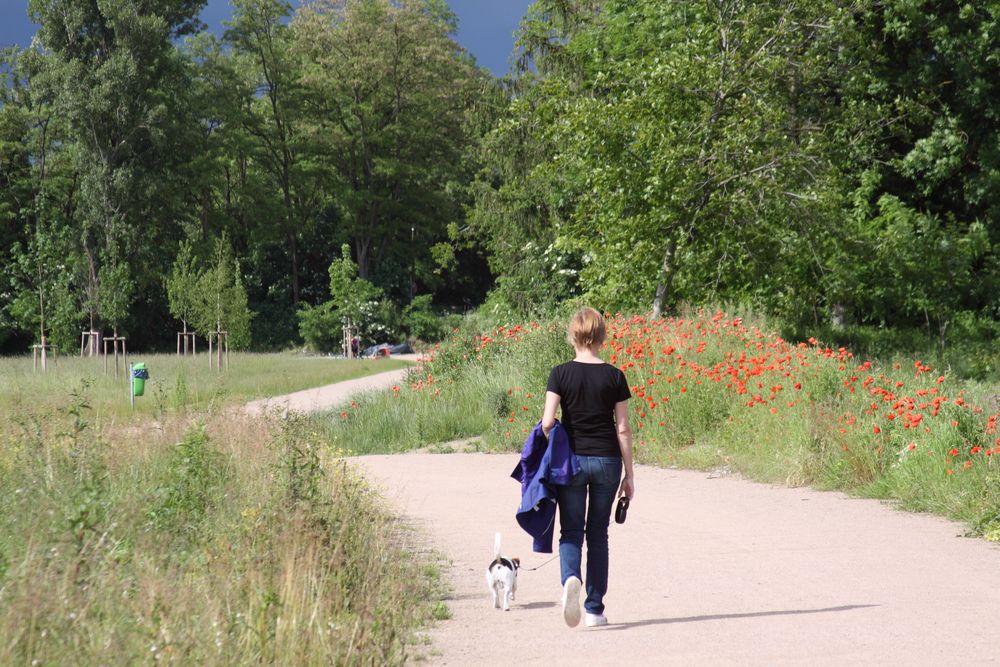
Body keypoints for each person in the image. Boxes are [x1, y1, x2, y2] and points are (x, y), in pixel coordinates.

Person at [542, 306, 634, 628]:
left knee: (570, 531)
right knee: (598, 533)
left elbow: (548, 422)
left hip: (572, 463)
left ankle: (570, 579)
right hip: (608, 461)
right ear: (601, 336)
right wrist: (629, 476)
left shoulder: (560, 373)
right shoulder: (615, 375)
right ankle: (594, 609)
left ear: (574, 336)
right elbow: (622, 429)